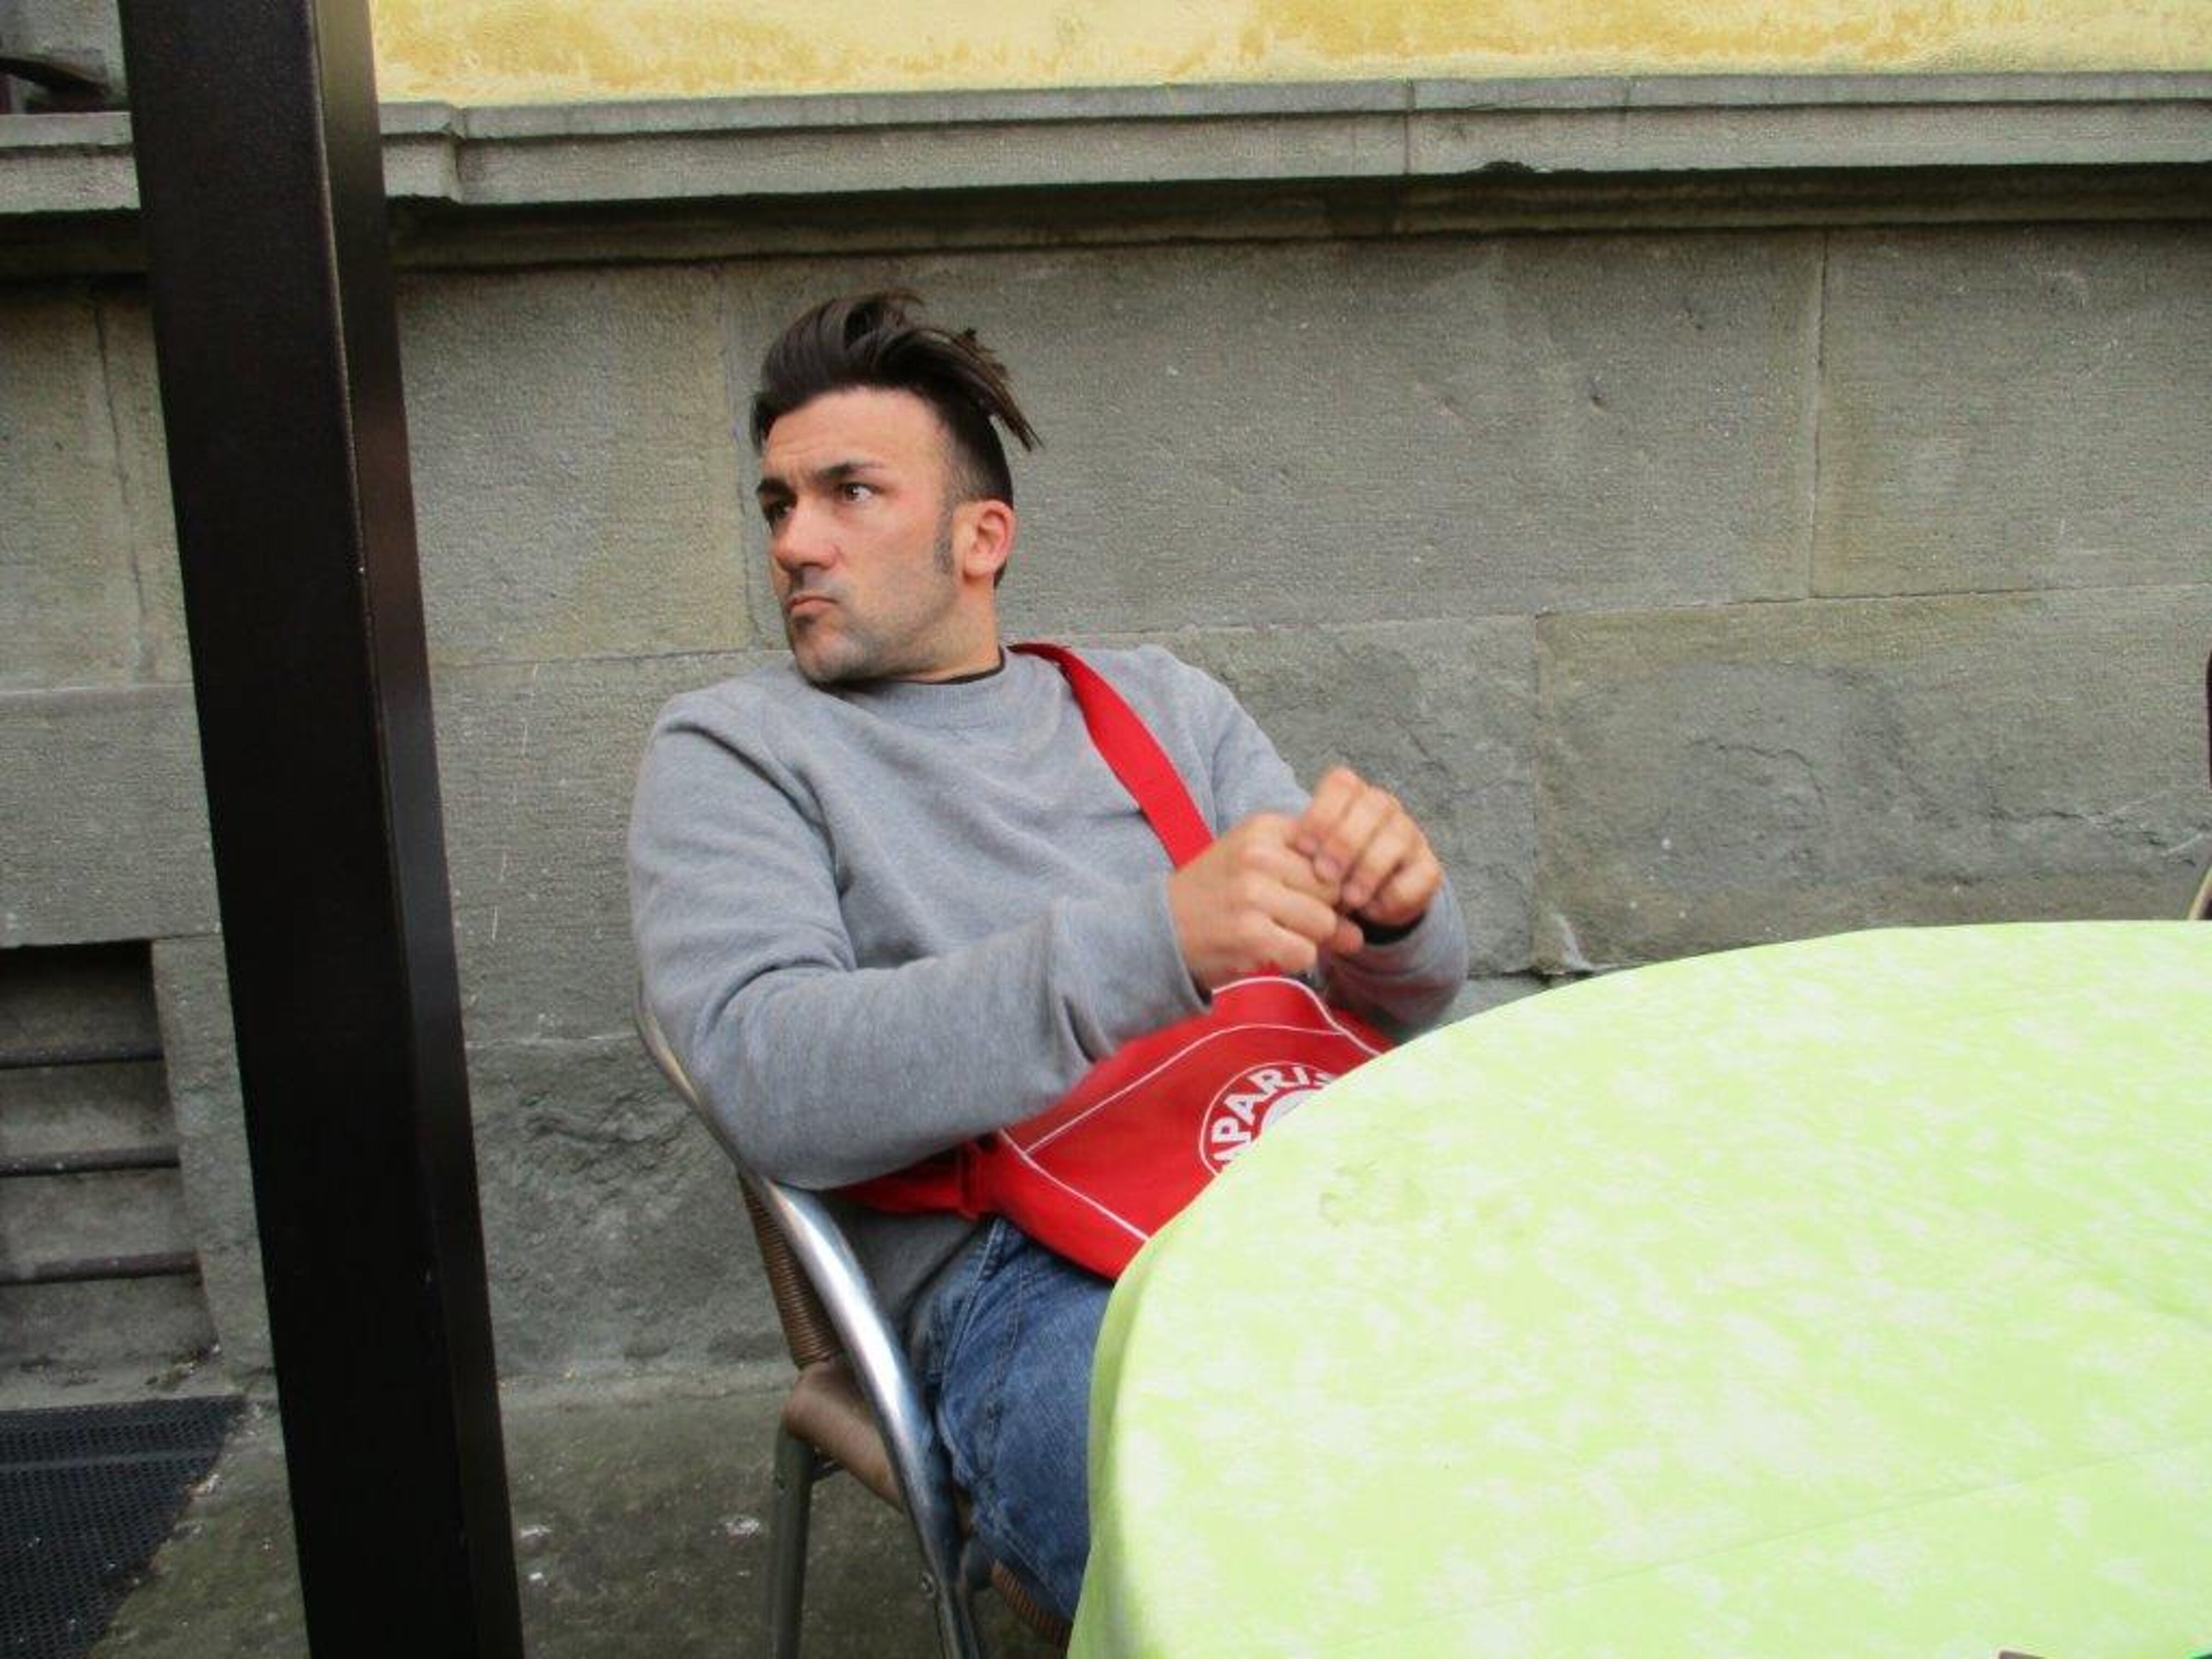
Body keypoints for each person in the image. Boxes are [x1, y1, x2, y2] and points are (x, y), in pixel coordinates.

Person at [628, 291, 1469, 1621]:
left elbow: (1399, 998)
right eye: (779, 503)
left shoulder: (1160, 702)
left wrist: (1397, 912)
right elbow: (766, 1074)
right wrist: (1150, 943)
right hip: (1022, 1269)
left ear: (981, 537)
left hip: (1291, 1166)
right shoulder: (734, 749)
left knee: (1618, 1369)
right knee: (1248, 1538)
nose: (794, 541)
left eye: (850, 492)